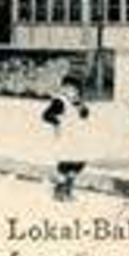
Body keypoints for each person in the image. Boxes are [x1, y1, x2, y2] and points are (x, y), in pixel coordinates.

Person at [41, 73, 90, 201]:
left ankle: (68, 190)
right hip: (65, 137)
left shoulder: (77, 103)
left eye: (74, 90)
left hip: (77, 137)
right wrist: (58, 122)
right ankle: (60, 191)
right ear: (63, 88)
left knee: (79, 163)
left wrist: (80, 106)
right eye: (67, 88)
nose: (71, 92)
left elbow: (85, 115)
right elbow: (46, 115)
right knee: (66, 164)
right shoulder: (59, 101)